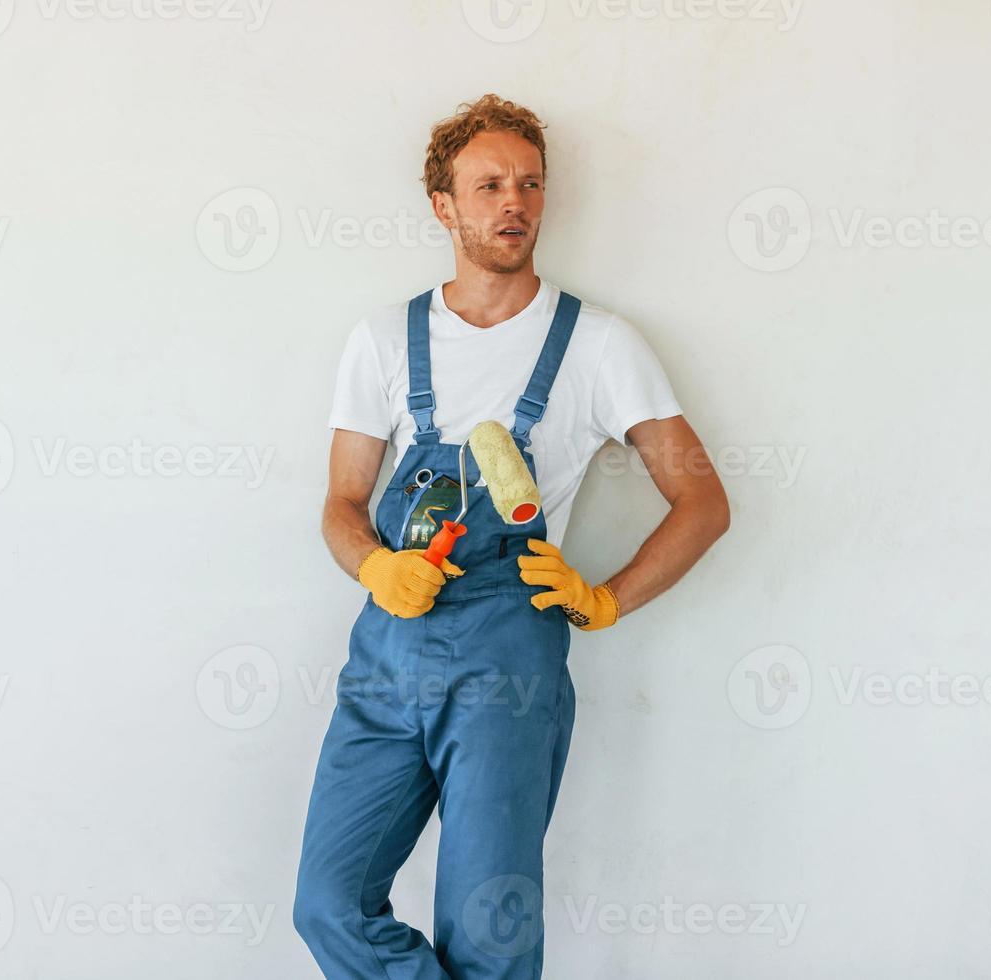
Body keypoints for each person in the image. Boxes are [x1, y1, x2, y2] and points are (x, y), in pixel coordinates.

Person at [292, 94, 731, 979]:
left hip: (509, 664)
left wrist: (606, 599)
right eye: (488, 184)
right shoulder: (383, 340)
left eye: (530, 183)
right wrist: (377, 566)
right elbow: (340, 503)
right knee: (329, 906)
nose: (513, 202)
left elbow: (704, 504)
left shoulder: (599, 346)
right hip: (385, 657)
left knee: (488, 932)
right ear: (442, 205)